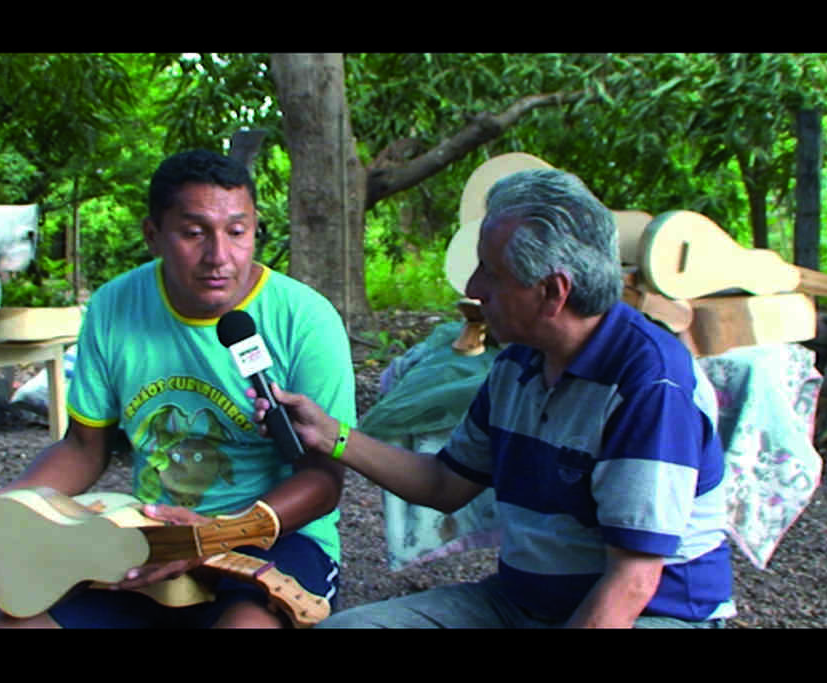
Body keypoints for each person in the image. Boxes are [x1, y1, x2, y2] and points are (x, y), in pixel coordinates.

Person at [252, 168, 736, 628]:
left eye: (491, 272)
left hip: (654, 614)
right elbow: (445, 484)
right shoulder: (518, 363)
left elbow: (631, 583)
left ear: (552, 292)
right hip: (520, 606)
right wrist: (330, 435)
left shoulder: (649, 386)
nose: (472, 288)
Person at [0, 149, 356, 628]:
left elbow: (323, 480)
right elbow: (84, 448)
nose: (219, 257)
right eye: (193, 233)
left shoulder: (305, 320)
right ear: (153, 236)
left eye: (237, 231)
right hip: (151, 540)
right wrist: (5, 512)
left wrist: (218, 535)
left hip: (274, 536)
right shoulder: (114, 306)